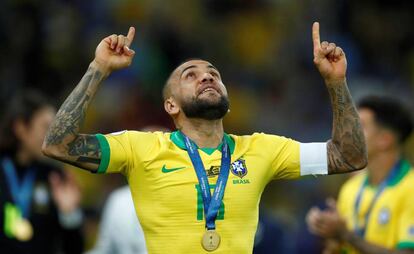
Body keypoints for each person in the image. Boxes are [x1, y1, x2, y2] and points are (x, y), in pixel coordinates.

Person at [42, 22, 367, 253]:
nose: (207, 76)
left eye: (214, 73)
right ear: (171, 105)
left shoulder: (262, 149)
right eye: (191, 75)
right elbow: (58, 144)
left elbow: (348, 156)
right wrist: (99, 67)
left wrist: (336, 82)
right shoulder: (140, 147)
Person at [306, 96, 414, 254]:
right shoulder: (351, 188)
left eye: (360, 126)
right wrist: (331, 237)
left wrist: (346, 235)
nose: (349, 131)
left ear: (385, 140)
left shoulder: (410, 189)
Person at [0, 90, 84, 254]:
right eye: (46, 127)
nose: (53, 136)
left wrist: (69, 215)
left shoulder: (55, 178)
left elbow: (74, 249)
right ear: (21, 128)